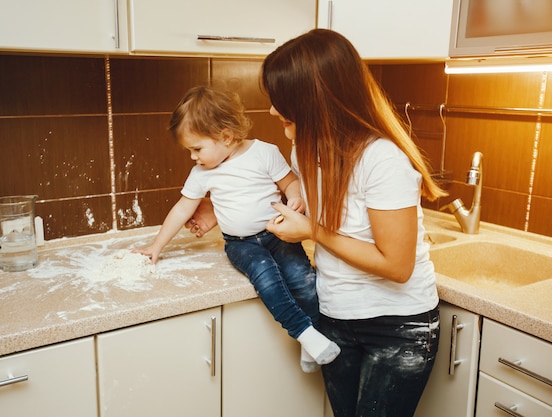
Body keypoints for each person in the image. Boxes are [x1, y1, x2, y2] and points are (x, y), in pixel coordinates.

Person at [184, 30, 447, 417]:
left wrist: (312, 233)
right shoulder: (306, 148)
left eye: (280, 100)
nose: (272, 111)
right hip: (334, 314)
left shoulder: (382, 160)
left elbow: (397, 265)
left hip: (396, 328)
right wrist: (220, 208)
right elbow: (306, 208)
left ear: (313, 100)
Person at [133, 85, 340, 373]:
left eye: (197, 148)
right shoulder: (202, 173)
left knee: (303, 280)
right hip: (241, 245)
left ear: (226, 137)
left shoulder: (264, 153)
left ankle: (311, 341)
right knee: (268, 281)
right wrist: (156, 246)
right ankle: (304, 334)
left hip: (278, 233)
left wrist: (295, 197)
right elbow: (183, 208)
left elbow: (290, 183)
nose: (193, 157)